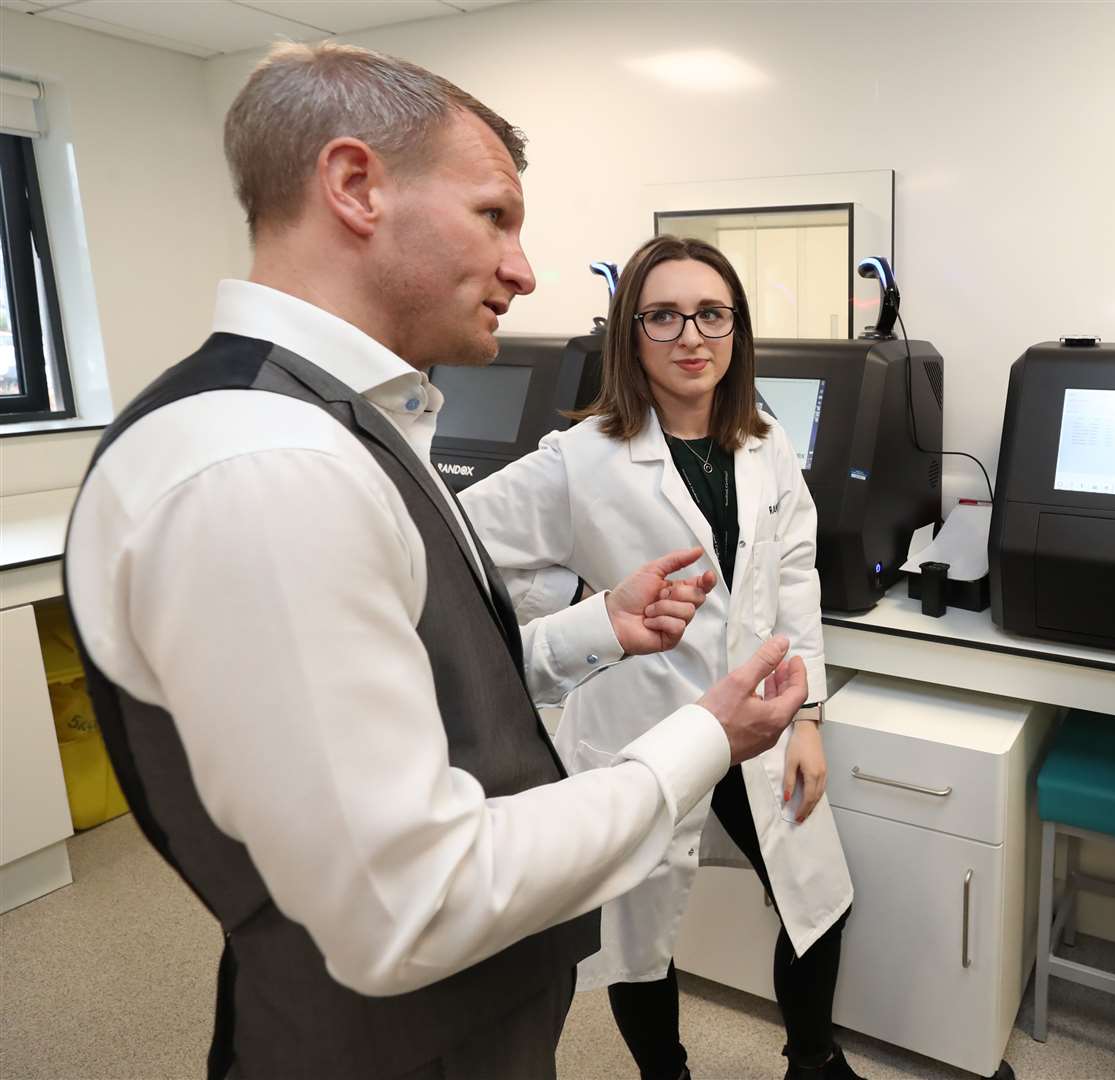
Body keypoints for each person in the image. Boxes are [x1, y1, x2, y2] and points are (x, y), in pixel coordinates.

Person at [62, 43, 809, 1080]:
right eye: (494, 216)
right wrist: (703, 738)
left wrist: (599, 627)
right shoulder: (265, 465)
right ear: (356, 186)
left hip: (472, 1030)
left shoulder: (348, 427)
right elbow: (407, 904)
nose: (524, 267)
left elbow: (426, 678)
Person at [461, 235, 861, 1080]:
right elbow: (456, 551)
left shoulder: (766, 443)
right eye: (664, 315)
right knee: (638, 938)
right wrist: (580, 617)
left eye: (712, 313)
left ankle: (815, 1063)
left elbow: (796, 578)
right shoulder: (580, 459)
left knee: (817, 901)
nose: (691, 335)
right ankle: (666, 1074)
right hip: (644, 729)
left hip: (761, 725)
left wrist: (811, 719)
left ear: (736, 329)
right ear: (631, 334)